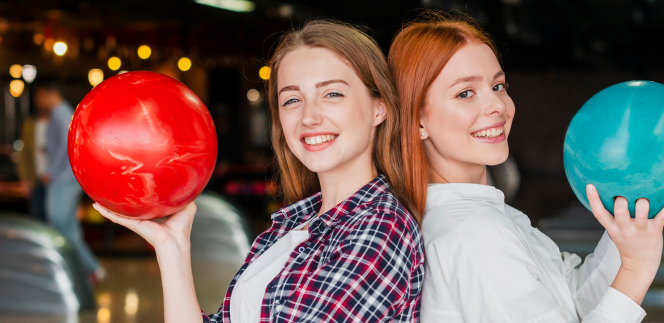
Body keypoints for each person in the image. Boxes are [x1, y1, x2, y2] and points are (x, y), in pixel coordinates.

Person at [94, 20, 424, 323]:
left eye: (332, 94)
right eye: (292, 100)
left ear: (379, 108)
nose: (309, 117)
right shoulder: (292, 226)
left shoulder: (380, 227)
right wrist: (172, 247)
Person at [389, 13, 664, 323]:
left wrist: (628, 235)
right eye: (465, 93)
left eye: (498, 86)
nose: (498, 105)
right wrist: (636, 270)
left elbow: (573, 301)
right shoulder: (475, 234)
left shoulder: (482, 216)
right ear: (417, 120)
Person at [33, 80, 105, 283]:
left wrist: (50, 171)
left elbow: (65, 146)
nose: (38, 101)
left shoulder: (60, 114)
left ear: (50, 93)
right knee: (69, 228)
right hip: (67, 178)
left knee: (58, 225)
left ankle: (91, 267)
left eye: (40, 96)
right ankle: (81, 270)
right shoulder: (62, 113)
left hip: (63, 179)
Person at [16, 103, 50, 223]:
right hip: (35, 178)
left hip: (54, 180)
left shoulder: (58, 124)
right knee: (37, 217)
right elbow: (24, 154)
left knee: (55, 219)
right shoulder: (30, 125)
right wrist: (24, 179)